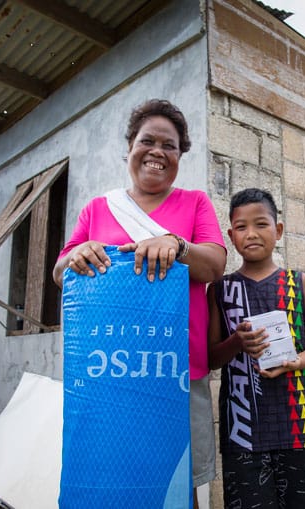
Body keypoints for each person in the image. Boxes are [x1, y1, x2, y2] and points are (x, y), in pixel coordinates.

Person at [53, 98, 227, 508]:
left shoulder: (195, 203)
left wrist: (177, 244)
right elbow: (61, 272)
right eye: (147, 141)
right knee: (114, 478)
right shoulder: (98, 209)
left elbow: (215, 265)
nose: (157, 152)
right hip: (109, 371)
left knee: (182, 485)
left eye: (169, 146)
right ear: (130, 146)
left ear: (180, 155)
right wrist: (76, 257)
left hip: (178, 370)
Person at [207, 188, 305, 508]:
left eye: (261, 224)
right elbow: (211, 357)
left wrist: (296, 360)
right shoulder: (221, 289)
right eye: (241, 227)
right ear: (231, 235)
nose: (251, 234)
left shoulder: (298, 282)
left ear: (278, 231)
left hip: (299, 423)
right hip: (242, 431)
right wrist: (236, 342)